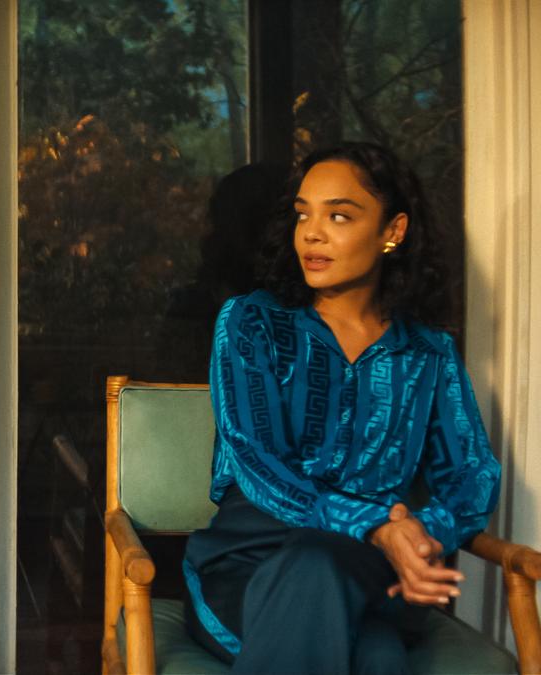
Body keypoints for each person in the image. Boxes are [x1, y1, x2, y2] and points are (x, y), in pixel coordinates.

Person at [181, 142, 500, 674]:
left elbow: (473, 475)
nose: (311, 233)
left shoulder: (427, 353)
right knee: (378, 658)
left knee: (326, 569)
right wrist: (376, 525)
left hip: (373, 570)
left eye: (338, 216)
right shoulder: (252, 324)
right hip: (250, 561)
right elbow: (255, 460)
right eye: (303, 213)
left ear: (393, 231)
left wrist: (423, 535)